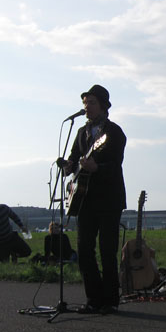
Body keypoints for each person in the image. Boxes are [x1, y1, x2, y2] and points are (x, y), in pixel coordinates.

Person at [62, 84, 126, 315]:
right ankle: (93, 299)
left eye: (91, 103)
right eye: (85, 103)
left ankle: (110, 300)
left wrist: (96, 166)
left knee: (107, 251)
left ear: (103, 106)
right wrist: (69, 166)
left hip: (109, 199)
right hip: (84, 199)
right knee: (84, 249)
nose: (86, 107)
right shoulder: (81, 132)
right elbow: (74, 158)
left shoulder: (115, 132)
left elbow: (116, 164)